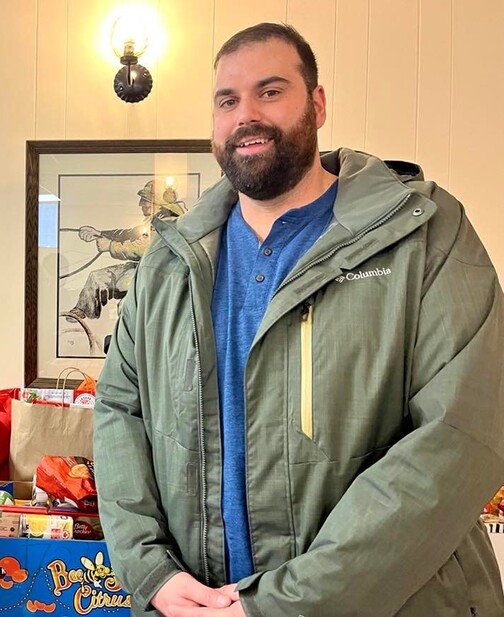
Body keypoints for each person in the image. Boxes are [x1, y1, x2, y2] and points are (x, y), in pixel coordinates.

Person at [94, 22, 504, 617]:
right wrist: (149, 569)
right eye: (227, 100)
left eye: (270, 91)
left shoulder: (426, 236)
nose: (246, 115)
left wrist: (285, 605)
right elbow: (117, 413)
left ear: (316, 103)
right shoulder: (168, 263)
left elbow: (457, 440)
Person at [66, 179, 185, 322]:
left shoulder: (168, 221)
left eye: (145, 199)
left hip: (156, 275)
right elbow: (129, 234)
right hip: (143, 269)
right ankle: (82, 313)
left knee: (126, 303)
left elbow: (143, 249)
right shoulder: (155, 219)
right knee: (97, 277)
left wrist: (110, 246)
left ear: (157, 201)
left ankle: (129, 336)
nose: (140, 204)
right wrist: (99, 233)